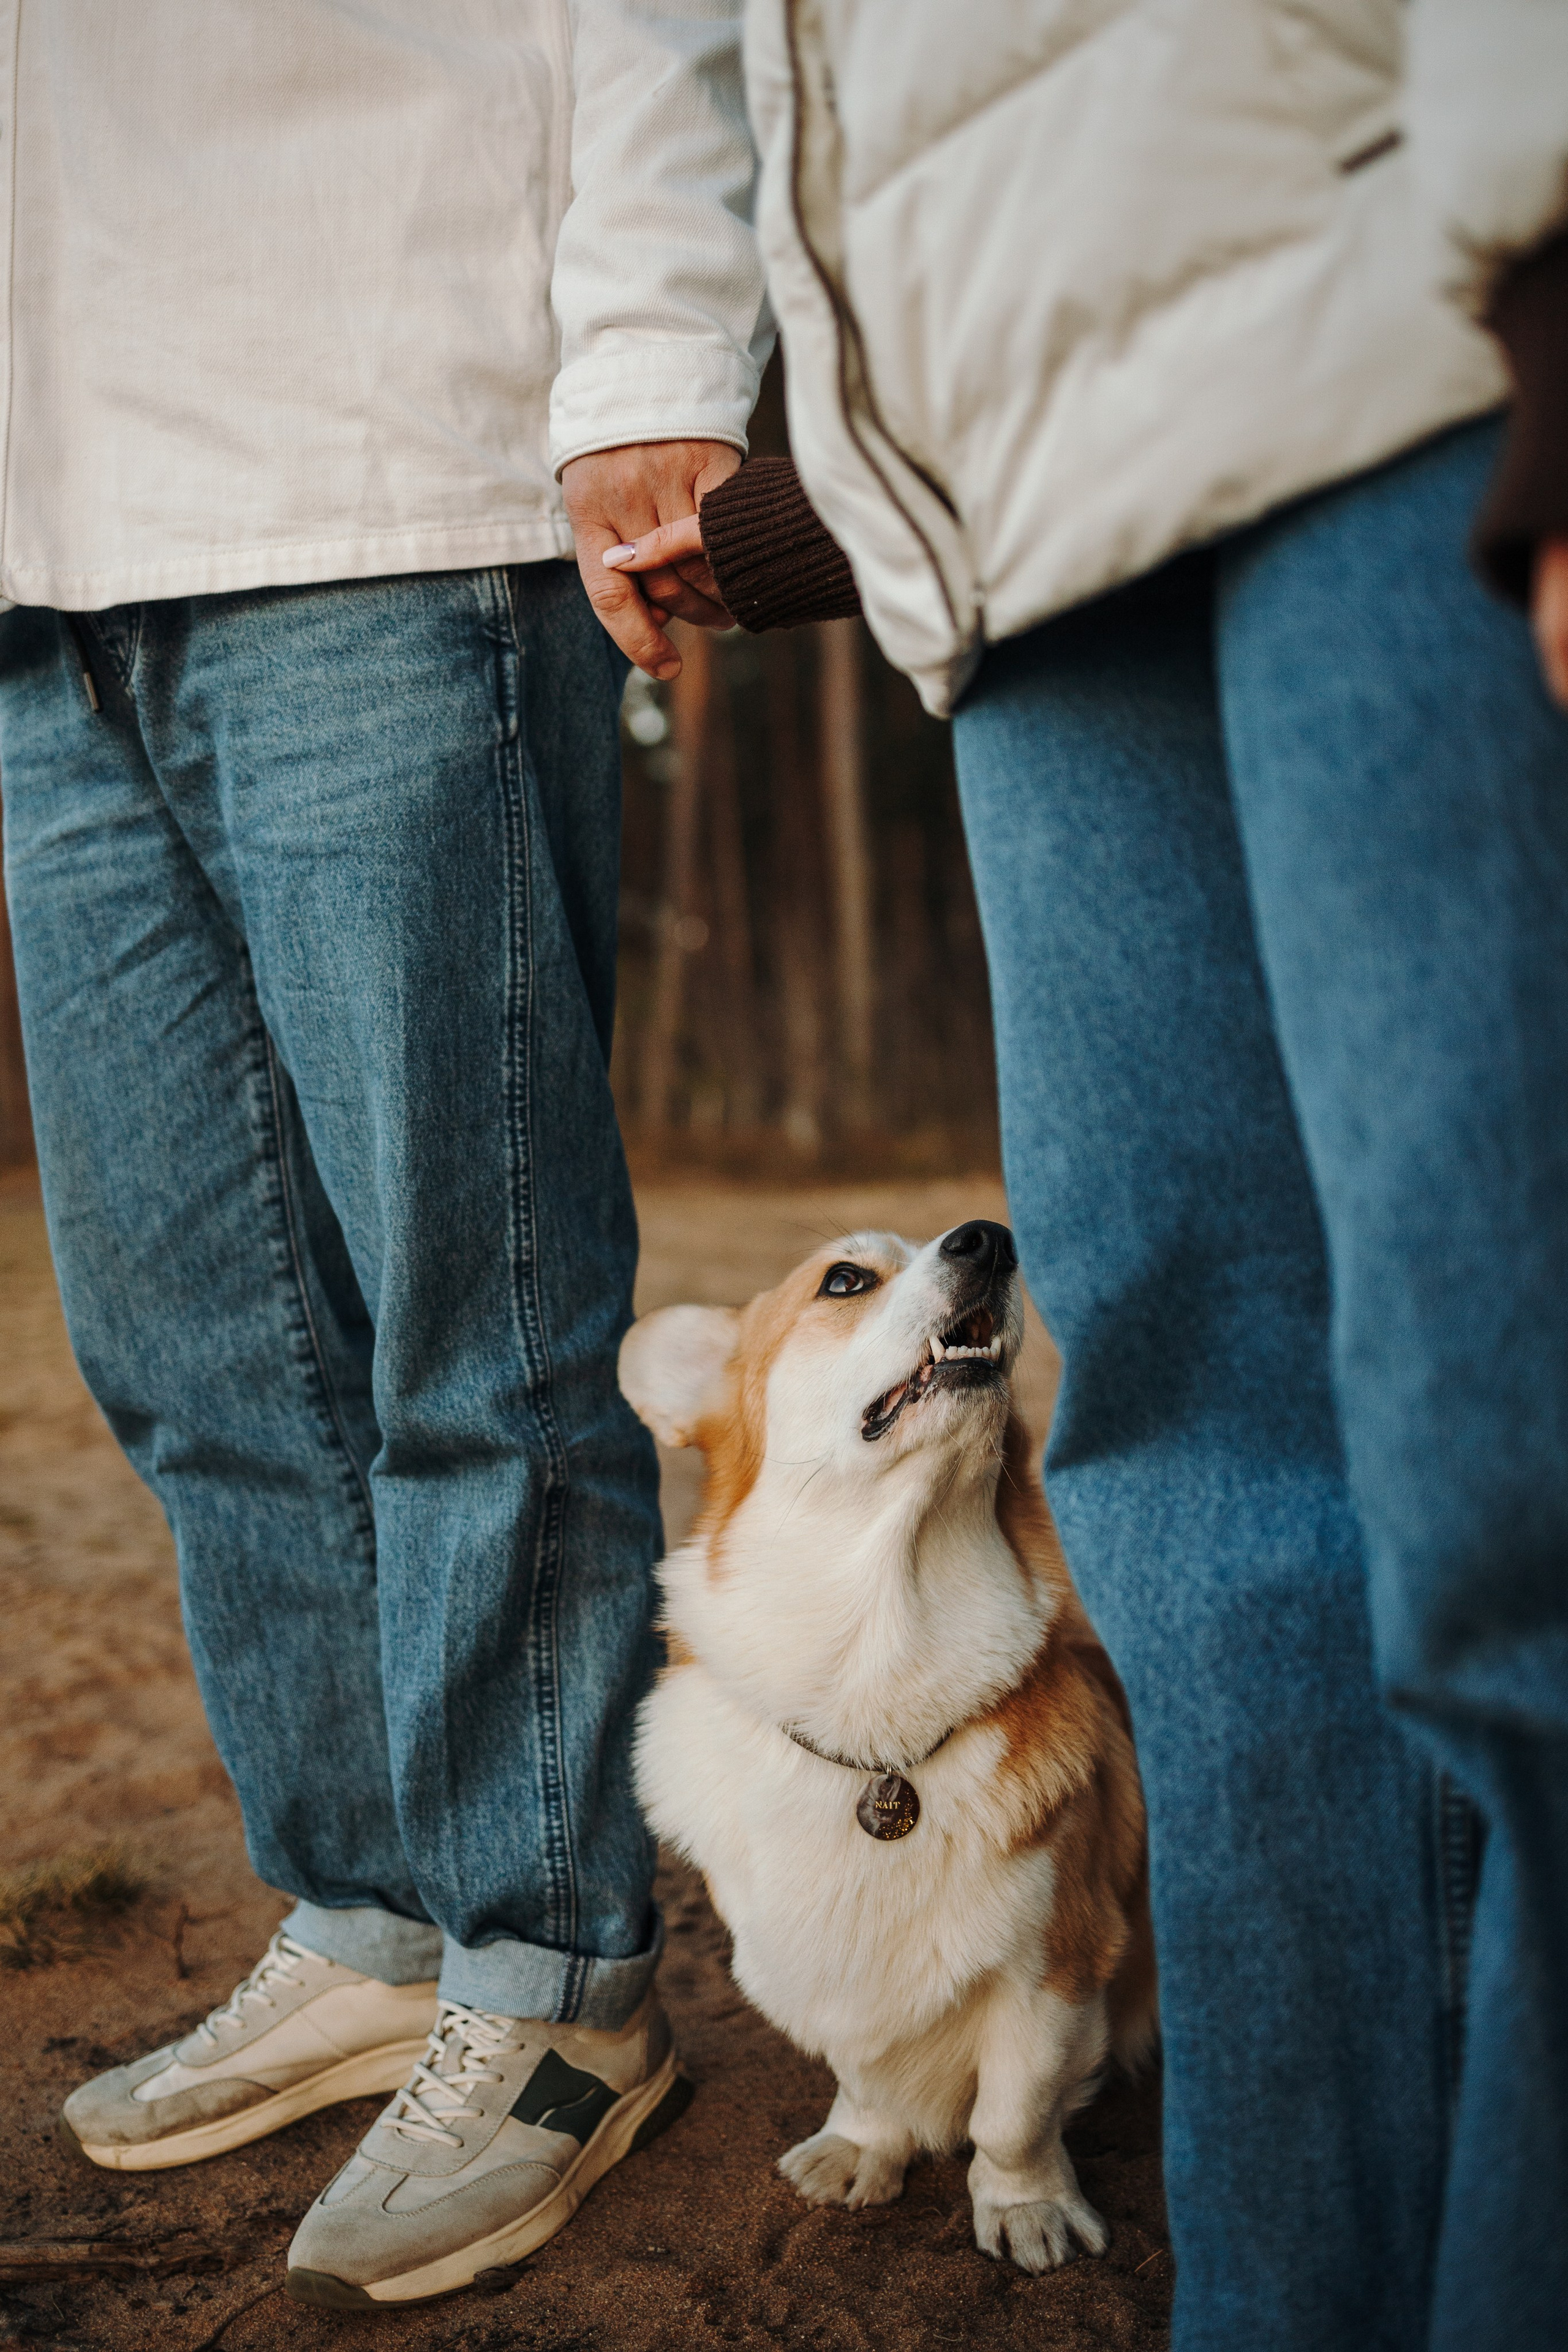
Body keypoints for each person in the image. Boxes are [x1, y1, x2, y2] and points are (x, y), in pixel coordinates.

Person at [606, 6, 1568, 2347]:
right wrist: (845, 468)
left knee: (1511, 1510)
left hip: (1410, 355)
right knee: (1202, 1534)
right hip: (1028, 538)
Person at [0, 2, 767, 2310]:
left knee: (477, 1305)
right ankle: (371, 1913)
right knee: (189, 1341)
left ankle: (548, 1977)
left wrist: (655, 351)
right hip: (49, 565)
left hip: (386, 477)